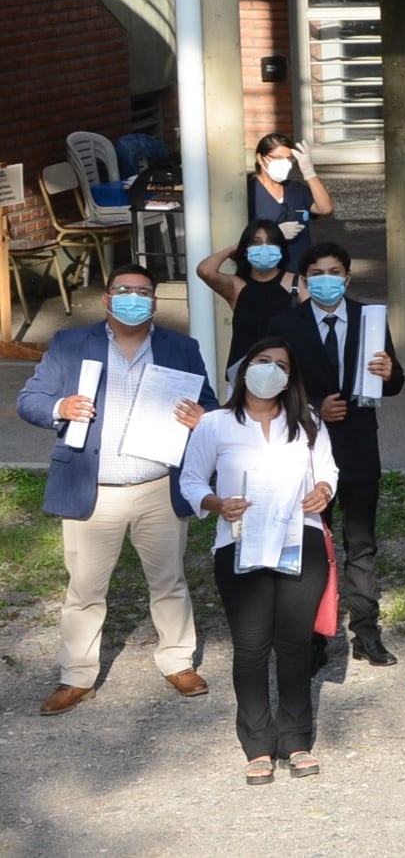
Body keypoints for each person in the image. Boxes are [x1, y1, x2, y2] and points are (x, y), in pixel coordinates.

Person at [18, 265, 215, 715]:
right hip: (95, 488)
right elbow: (29, 400)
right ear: (107, 300)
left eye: (142, 292)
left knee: (169, 581)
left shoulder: (181, 348)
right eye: (123, 290)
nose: (133, 297)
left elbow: (210, 404)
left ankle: (177, 661)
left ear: (154, 302)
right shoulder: (70, 344)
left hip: (156, 485)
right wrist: (59, 406)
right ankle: (76, 675)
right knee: (85, 589)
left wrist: (200, 418)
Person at [180, 337, 339, 783]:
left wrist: (324, 490)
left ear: (290, 377)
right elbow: (190, 480)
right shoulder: (214, 424)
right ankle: (256, 744)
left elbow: (328, 470)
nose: (270, 370)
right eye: (262, 361)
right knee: (251, 646)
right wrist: (215, 502)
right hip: (240, 542)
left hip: (297, 540)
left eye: (280, 364)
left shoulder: (306, 422)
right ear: (245, 369)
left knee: (294, 644)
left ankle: (296, 740)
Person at [269, 242, 405, 666]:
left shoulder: (370, 318)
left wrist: (391, 373)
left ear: (347, 277)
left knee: (361, 544)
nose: (327, 279)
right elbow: (273, 386)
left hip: (360, 446)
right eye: (317, 273)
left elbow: (394, 380)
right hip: (307, 450)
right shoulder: (286, 324)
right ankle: (311, 637)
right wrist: (313, 409)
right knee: (311, 542)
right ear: (306, 280)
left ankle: (366, 631)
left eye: (335, 271)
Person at [195, 219, 304, 372]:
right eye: (256, 243)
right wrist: (233, 248)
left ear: (281, 249)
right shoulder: (236, 285)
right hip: (244, 372)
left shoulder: (297, 283)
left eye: (272, 242)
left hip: (286, 371)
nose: (264, 248)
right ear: (246, 249)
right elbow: (205, 270)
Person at [244, 133, 332, 273]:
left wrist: (309, 173)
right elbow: (240, 236)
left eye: (289, 159)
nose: (284, 163)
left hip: (298, 270)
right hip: (263, 272)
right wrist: (275, 234)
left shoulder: (296, 190)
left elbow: (325, 208)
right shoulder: (248, 192)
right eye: (278, 158)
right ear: (260, 158)